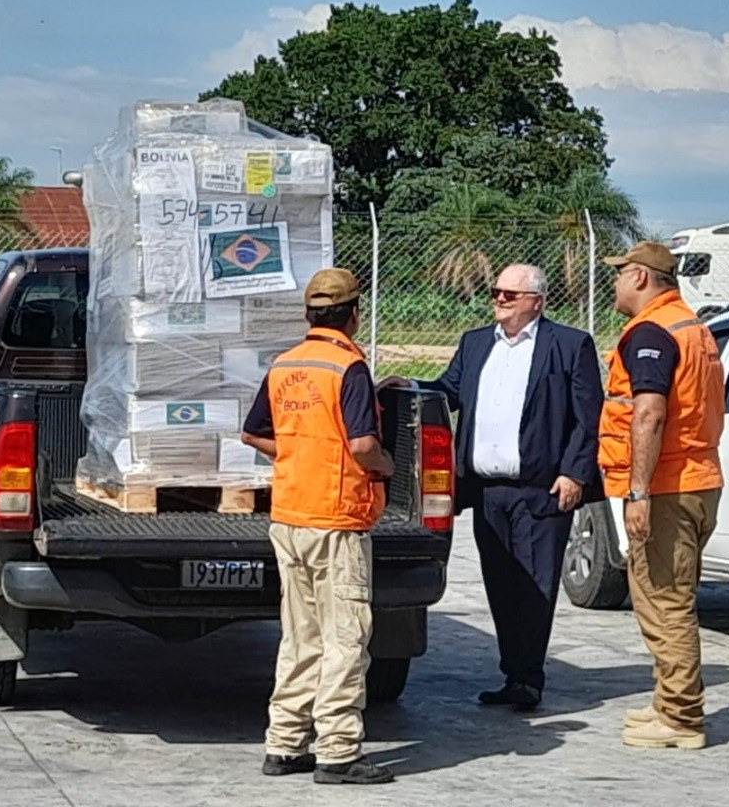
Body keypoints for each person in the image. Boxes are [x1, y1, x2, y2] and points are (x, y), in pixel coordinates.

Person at [383, 263, 604, 711]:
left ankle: (529, 678)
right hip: (487, 491)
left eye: (510, 294)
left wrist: (575, 473)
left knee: (536, 586)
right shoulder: (476, 342)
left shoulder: (568, 345)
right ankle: (512, 672)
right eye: (496, 292)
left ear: (536, 301)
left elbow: (589, 416)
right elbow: (450, 391)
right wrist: (409, 384)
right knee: (501, 585)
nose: (500, 299)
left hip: (541, 490)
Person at [241, 267, 398, 786]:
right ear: (353, 314)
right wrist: (387, 467)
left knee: (300, 638)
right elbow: (361, 446)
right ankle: (337, 752)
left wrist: (302, 452)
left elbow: (254, 434)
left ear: (310, 314)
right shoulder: (347, 366)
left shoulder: (287, 364)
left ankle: (283, 744)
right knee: (345, 638)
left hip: (290, 516)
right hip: (338, 520)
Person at [598, 241, 725, 751]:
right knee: (669, 596)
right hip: (699, 478)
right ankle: (668, 702)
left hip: (669, 486)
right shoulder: (692, 328)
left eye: (621, 273)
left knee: (664, 600)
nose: (615, 282)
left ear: (643, 278)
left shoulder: (650, 332)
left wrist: (638, 492)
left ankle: (680, 718)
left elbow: (649, 413)